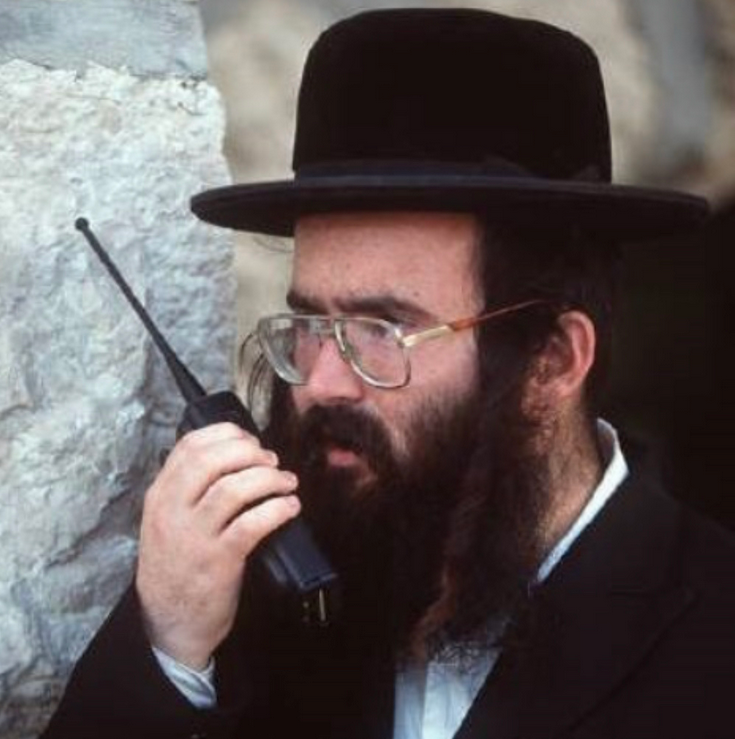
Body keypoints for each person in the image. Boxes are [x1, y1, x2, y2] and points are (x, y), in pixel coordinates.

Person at [43, 8, 735, 739]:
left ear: (552, 360)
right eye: (310, 325)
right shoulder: (250, 608)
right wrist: (168, 646)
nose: (321, 384)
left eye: (381, 331)